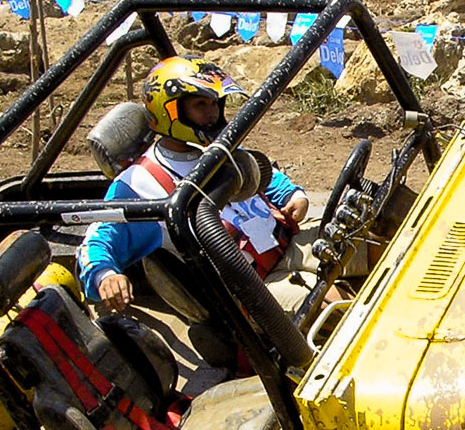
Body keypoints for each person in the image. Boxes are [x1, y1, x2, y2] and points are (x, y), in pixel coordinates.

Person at [78, 57, 319, 315]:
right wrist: (105, 276)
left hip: (287, 241)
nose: (212, 113)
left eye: (215, 103)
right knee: (337, 302)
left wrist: (293, 195)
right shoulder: (139, 183)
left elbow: (260, 173)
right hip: (255, 288)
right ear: (169, 110)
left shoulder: (217, 147)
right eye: (200, 104)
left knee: (352, 241)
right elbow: (96, 242)